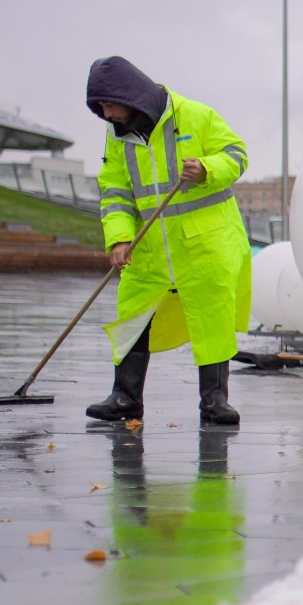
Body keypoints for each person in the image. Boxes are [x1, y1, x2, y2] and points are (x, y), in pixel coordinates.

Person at [83, 56, 251, 426]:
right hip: (149, 249)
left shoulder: (196, 115)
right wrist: (118, 239)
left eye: (109, 105)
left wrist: (207, 169)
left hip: (206, 244)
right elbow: (114, 191)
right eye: (101, 109)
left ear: (130, 96)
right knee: (132, 318)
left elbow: (237, 155)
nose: (107, 115)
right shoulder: (117, 138)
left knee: (212, 319)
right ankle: (125, 398)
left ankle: (215, 402)